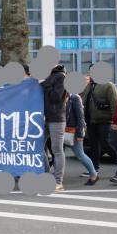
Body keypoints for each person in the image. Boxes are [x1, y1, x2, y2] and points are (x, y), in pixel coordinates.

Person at [80, 72, 117, 175]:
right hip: (91, 121)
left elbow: (115, 103)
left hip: (104, 120)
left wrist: (115, 121)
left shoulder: (108, 85)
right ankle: (93, 169)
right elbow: (83, 101)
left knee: (105, 144)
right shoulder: (90, 85)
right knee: (94, 146)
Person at [42, 64, 68, 192]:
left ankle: (58, 182)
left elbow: (56, 97)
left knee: (57, 149)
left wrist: (44, 83)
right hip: (43, 118)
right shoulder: (47, 75)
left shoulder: (61, 76)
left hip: (56, 118)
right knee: (37, 147)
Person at [67, 93, 97, 185]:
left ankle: (94, 175)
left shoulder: (74, 98)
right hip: (64, 130)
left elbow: (80, 118)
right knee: (57, 154)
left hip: (73, 131)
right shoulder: (62, 96)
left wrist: (80, 134)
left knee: (80, 154)